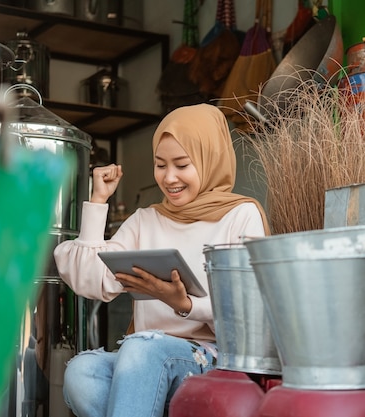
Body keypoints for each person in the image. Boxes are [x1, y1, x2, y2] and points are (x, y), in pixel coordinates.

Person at [53, 103, 271, 417]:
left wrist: (185, 305)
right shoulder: (146, 220)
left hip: (211, 359)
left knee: (141, 348)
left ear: (210, 159)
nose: (169, 178)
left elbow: (250, 313)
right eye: (160, 165)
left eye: (182, 165)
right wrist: (98, 200)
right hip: (144, 354)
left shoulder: (240, 215)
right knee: (83, 371)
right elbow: (90, 280)